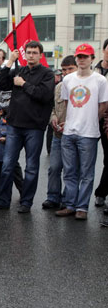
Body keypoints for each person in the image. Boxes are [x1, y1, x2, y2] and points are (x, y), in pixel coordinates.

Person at [0, 41, 55, 213]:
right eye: (28, 52)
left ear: (40, 55)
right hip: (15, 125)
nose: (31, 55)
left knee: (31, 167)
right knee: (7, 165)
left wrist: (23, 84)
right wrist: (9, 61)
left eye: (34, 52)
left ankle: (26, 202)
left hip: (34, 127)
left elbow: (44, 95)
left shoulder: (47, 74)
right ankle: (3, 201)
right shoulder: (20, 70)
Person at [54, 44, 108, 220]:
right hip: (69, 133)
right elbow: (67, 103)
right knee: (69, 171)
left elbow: (103, 106)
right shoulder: (68, 80)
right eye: (79, 56)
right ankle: (70, 204)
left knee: (86, 173)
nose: (82, 59)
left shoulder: (100, 80)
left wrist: (91, 119)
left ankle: (82, 208)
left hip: (89, 134)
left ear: (92, 58)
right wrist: (72, 120)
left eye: (85, 56)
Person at [42, 56, 77, 210]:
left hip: (74, 135)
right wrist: (53, 118)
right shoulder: (58, 87)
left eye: (70, 69)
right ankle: (52, 197)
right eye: (64, 70)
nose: (66, 72)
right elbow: (52, 108)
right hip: (58, 134)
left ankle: (68, 200)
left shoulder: (80, 87)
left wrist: (69, 123)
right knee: (54, 167)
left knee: (71, 170)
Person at [93, 39, 108, 208]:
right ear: (103, 50)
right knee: (83, 159)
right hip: (90, 118)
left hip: (106, 120)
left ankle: (101, 193)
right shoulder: (93, 70)